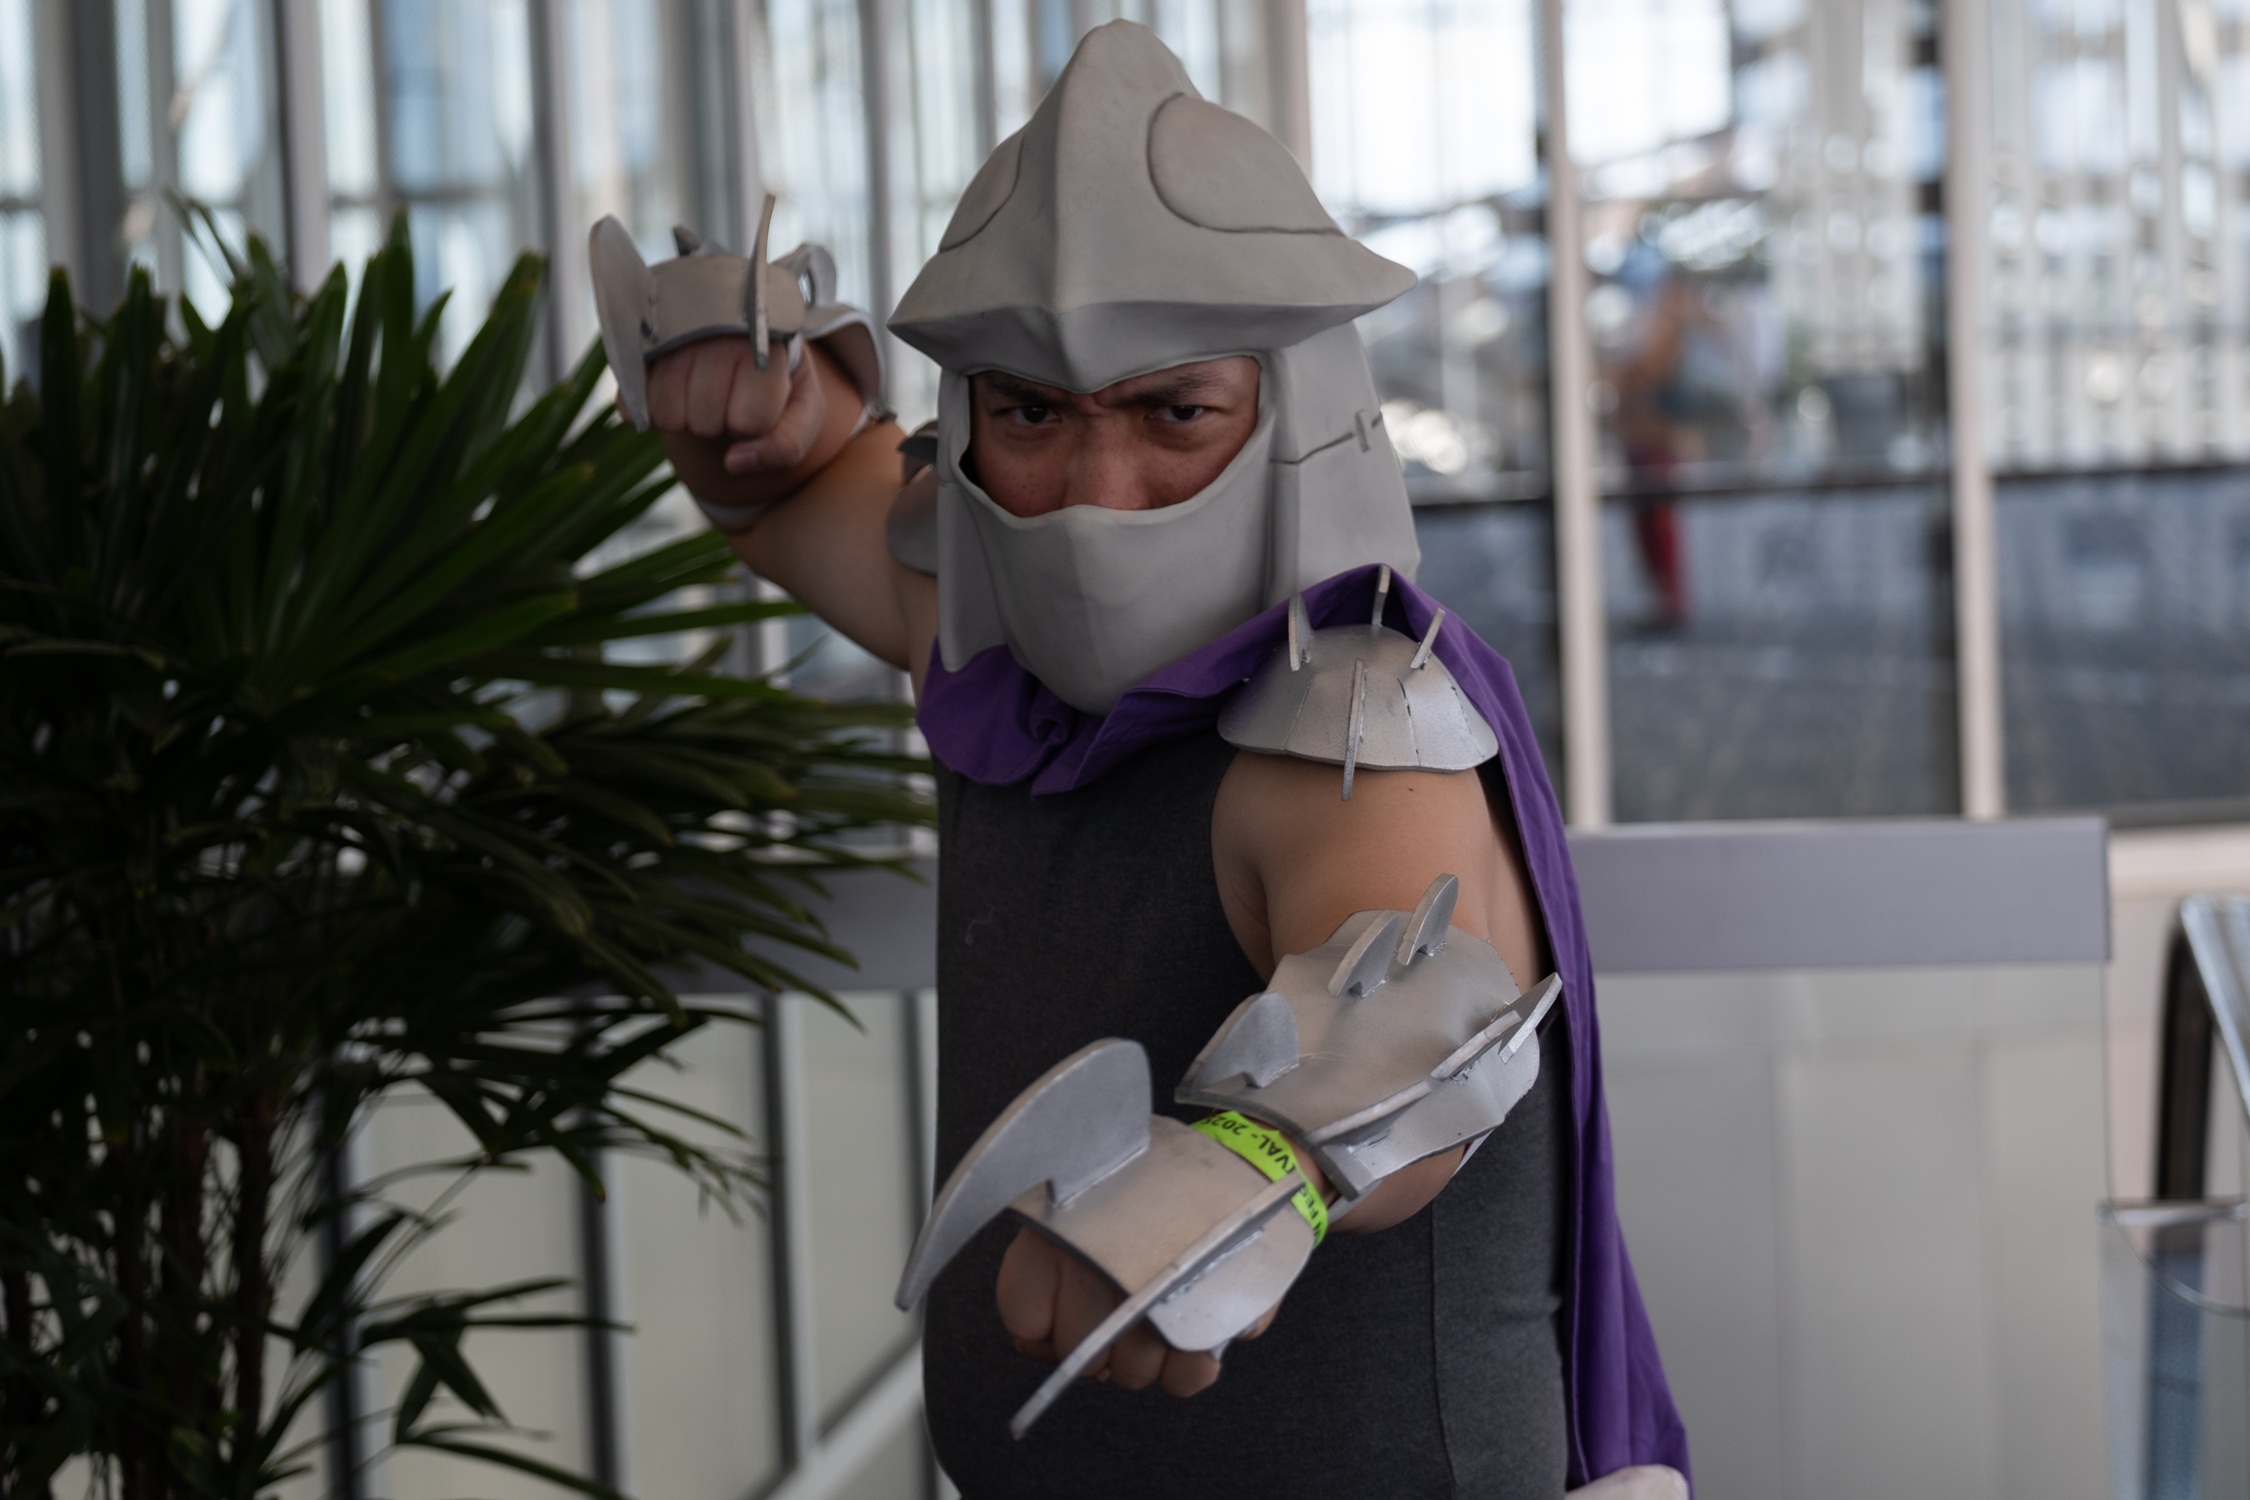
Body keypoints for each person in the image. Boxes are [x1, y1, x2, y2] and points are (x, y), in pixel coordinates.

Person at [609, 23, 1686, 1497]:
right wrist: (756, 404)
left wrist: (1250, 1172)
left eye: (1174, 412)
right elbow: (786, 494)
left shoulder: (1346, 717)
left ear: (1292, 411)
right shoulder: (993, 656)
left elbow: (1426, 1005)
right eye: (1033, 412)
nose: (1091, 493)